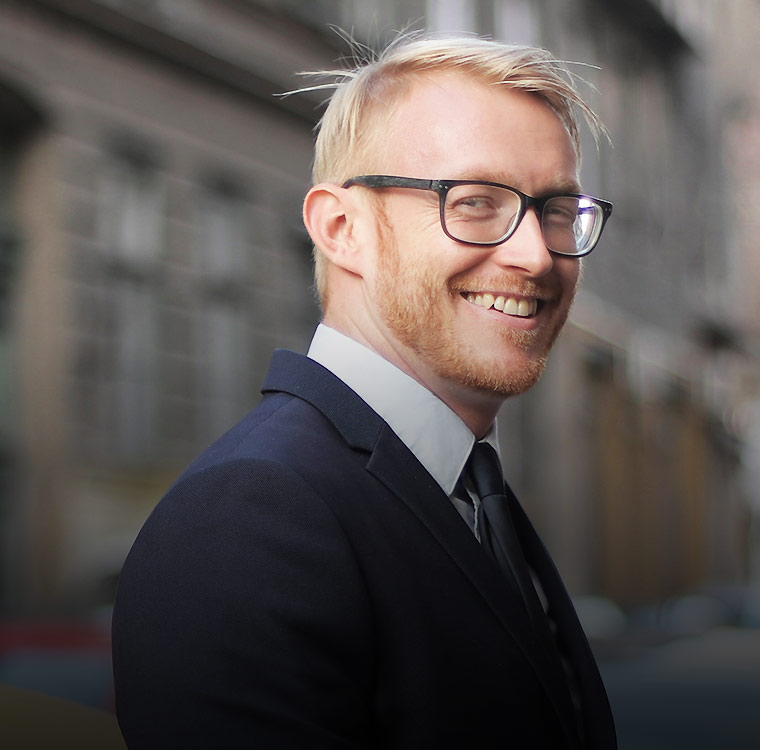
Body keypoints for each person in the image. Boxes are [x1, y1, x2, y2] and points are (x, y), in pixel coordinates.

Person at [112, 33, 616, 749]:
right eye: (475, 202)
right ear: (341, 228)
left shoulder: (468, 488)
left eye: (558, 210)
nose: (535, 255)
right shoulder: (250, 516)